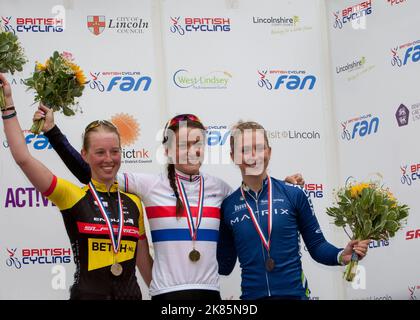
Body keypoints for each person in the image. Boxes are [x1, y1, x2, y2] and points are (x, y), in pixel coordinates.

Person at [32, 108, 305, 300]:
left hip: (210, 293)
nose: (192, 150)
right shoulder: (149, 185)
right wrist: (54, 133)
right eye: (183, 143)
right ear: (168, 150)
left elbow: (252, 198)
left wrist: (283, 185)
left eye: (198, 142)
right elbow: (93, 172)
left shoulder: (220, 190)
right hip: (165, 296)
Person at [0, 74, 153, 300]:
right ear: (85, 155)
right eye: (100, 152)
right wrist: (7, 103)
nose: (108, 159)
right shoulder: (72, 195)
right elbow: (23, 158)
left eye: (114, 151)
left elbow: (146, 267)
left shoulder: (133, 202)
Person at [217, 121, 370, 300]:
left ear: (269, 151)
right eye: (244, 150)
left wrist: (340, 255)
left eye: (259, 148)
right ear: (233, 156)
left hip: (295, 295)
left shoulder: (293, 194)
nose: (253, 156)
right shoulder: (228, 205)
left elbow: (317, 246)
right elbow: (224, 265)